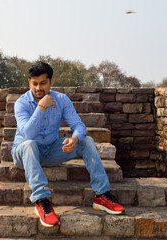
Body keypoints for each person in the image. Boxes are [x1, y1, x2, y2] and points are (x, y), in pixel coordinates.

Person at [11, 61, 125, 227]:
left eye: (43, 83)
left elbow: (79, 126)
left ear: (51, 82)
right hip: (24, 154)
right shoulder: (21, 103)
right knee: (29, 144)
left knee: (87, 141)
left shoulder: (61, 100)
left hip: (50, 151)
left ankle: (102, 195)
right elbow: (27, 134)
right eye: (34, 83)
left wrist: (74, 139)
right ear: (29, 82)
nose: (38, 88)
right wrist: (41, 107)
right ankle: (42, 201)